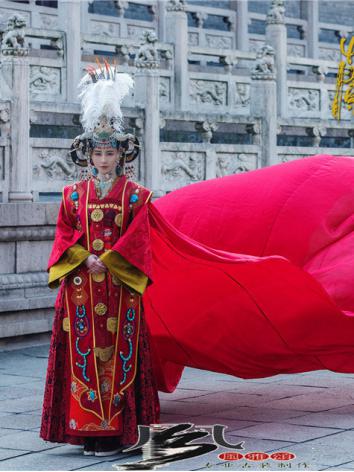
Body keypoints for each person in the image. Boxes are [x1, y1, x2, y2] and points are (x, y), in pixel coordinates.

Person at [40, 59, 160, 456]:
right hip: (80, 289)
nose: (103, 159)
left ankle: (122, 431)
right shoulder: (72, 195)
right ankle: (84, 429)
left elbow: (140, 238)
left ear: (121, 154)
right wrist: (81, 258)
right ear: (87, 154)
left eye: (110, 152)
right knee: (84, 357)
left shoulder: (136, 195)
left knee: (119, 356)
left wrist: (109, 260)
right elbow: (62, 234)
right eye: (98, 152)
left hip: (120, 287)